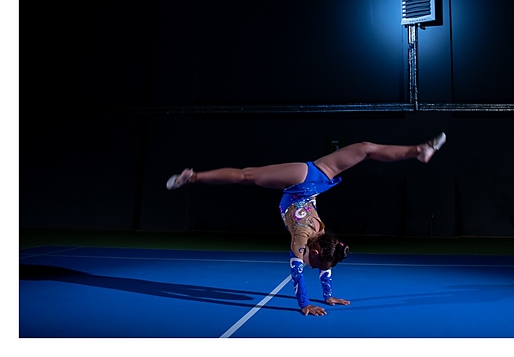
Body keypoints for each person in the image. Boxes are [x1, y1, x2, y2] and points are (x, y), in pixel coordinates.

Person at [165, 132, 447, 316]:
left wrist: (327, 296)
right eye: (317, 263)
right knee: (246, 175)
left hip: (315, 181)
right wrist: (306, 304)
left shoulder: (317, 238)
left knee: (365, 149)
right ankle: (193, 177)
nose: (314, 267)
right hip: (302, 183)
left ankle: (420, 150)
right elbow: (301, 271)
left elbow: (319, 264)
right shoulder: (305, 240)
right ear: (314, 251)